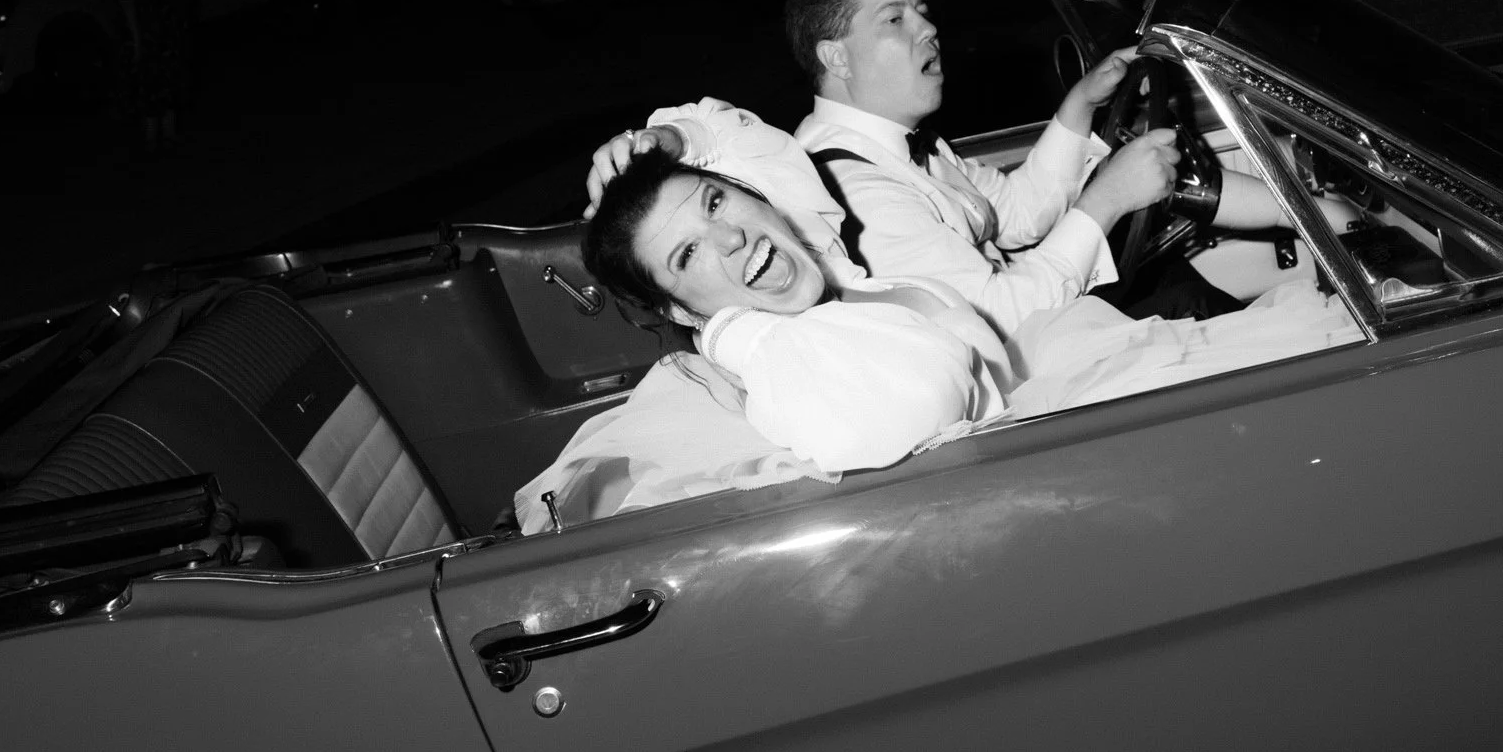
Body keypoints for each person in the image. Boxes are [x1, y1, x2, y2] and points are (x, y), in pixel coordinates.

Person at [525, 100, 1362, 529]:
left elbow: (745, 141)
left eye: (716, 201)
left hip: (1049, 375)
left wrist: (666, 140)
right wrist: (731, 331)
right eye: (688, 256)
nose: (731, 236)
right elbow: (904, 403)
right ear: (678, 306)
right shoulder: (782, 346)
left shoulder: (819, 264)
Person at [586, 0, 1282, 347]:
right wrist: (1107, 199)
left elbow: (1020, 214)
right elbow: (998, 314)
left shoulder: (908, 146)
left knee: (1176, 284)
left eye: (922, 11)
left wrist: (1076, 110)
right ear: (837, 56)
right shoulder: (851, 188)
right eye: (895, 18)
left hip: (1055, 332)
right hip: (1030, 360)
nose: (928, 28)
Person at [110, 0, 193, 154]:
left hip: (162, 35)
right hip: (146, 38)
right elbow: (128, 9)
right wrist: (137, 43)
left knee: (167, 85)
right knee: (150, 90)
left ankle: (169, 135)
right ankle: (152, 139)